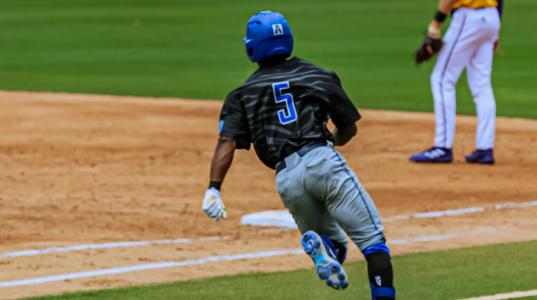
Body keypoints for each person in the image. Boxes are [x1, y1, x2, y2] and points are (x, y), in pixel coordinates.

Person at [201, 10, 395, 300]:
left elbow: (227, 141)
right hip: (322, 162)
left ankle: (324, 251)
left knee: (333, 246)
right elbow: (349, 128)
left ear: (252, 47)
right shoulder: (318, 76)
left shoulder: (242, 94)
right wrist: (334, 140)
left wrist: (214, 189)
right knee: (374, 246)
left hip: (287, 180)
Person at [410, 0, 503, 164]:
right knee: (481, 84)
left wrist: (436, 23)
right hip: (492, 17)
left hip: (469, 17)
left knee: (441, 79)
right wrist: (496, 29)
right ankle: (485, 149)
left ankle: (442, 147)